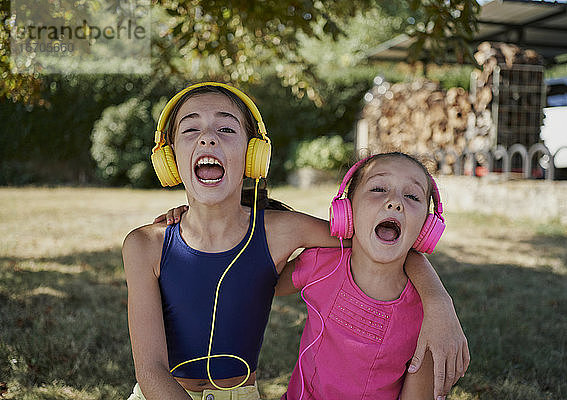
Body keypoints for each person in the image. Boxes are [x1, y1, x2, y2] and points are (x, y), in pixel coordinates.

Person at [124, 82, 468, 400]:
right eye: (191, 128)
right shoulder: (144, 246)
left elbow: (376, 242)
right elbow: (150, 370)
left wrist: (439, 303)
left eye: (226, 128)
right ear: (169, 158)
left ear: (253, 154)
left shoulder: (283, 231)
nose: (208, 139)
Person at [276, 152, 449, 399]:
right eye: (378, 188)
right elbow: (265, 286)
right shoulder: (320, 263)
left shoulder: (428, 319)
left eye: (412, 196)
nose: (395, 202)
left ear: (426, 228)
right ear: (347, 210)